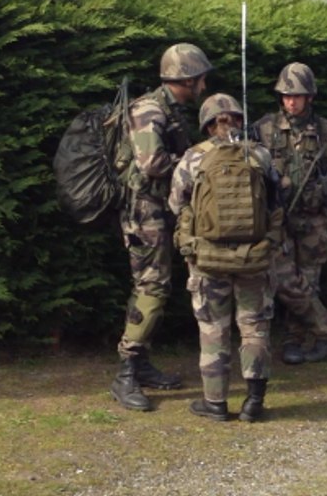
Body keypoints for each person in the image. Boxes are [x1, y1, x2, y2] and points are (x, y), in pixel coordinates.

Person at [109, 42, 212, 412]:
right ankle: (126, 374)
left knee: (158, 287)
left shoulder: (170, 109)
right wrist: (195, 161)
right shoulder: (150, 110)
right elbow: (152, 163)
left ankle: (141, 364)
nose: (203, 87)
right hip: (145, 213)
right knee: (151, 288)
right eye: (199, 80)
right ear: (185, 79)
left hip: (159, 211)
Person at [169, 94, 277, 422]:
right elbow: (277, 199)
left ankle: (215, 403)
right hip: (253, 257)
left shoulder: (193, 158)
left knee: (213, 329)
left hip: (207, 257)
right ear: (239, 120)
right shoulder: (259, 155)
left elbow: (176, 203)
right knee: (254, 327)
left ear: (207, 124)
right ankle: (254, 402)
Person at [251, 62, 327, 365]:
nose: (291, 102)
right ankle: (319, 333)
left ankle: (303, 340)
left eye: (296, 95)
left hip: (313, 221)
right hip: (278, 220)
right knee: (283, 280)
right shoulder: (264, 128)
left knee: (309, 281)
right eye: (285, 96)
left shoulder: (323, 130)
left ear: (310, 97)